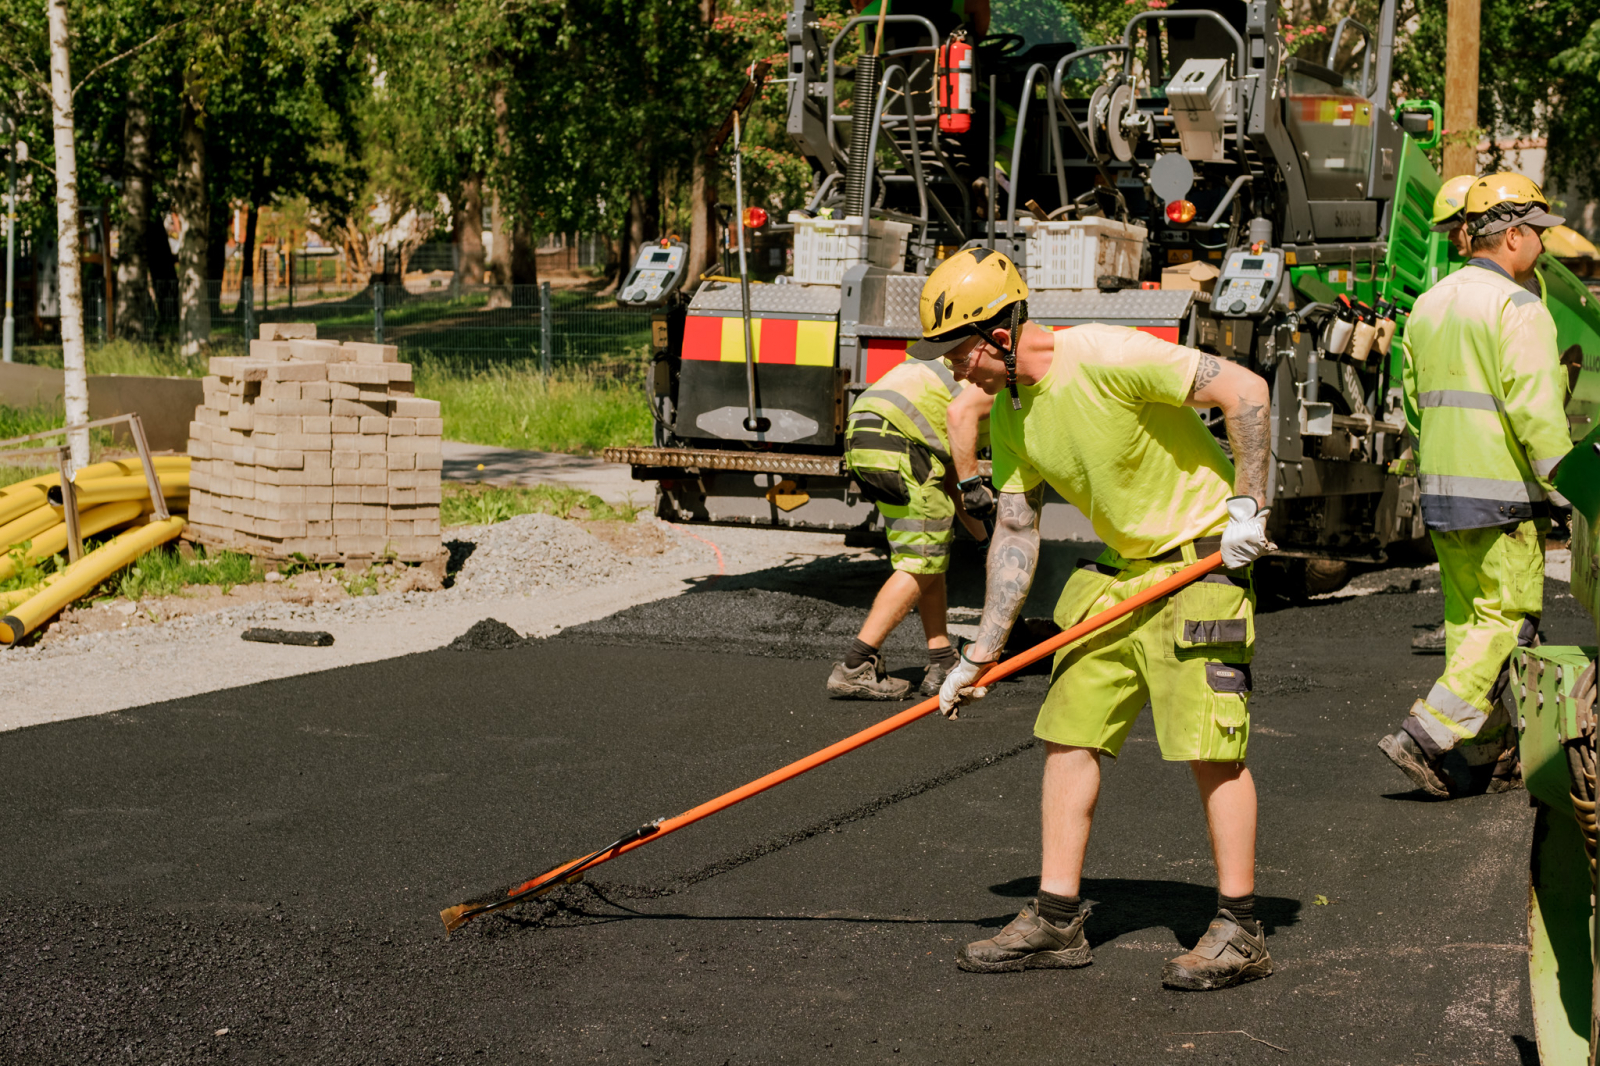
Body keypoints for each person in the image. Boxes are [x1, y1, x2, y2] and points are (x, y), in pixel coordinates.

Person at [918, 248, 1277, 991]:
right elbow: (1016, 532)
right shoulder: (1012, 415)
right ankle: (1054, 920)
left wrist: (1249, 505)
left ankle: (1240, 929)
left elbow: (1246, 390)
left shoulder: (1110, 354)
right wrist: (977, 653)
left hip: (1200, 566)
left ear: (999, 335)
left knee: (1210, 747)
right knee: (1067, 735)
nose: (956, 373)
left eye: (958, 356)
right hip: (1123, 580)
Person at [1379, 174, 1572, 797]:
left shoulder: (1429, 303)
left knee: (1469, 626)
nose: (1541, 246)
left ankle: (1489, 757)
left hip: (1442, 492)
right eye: (1536, 234)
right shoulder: (1519, 308)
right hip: (1503, 496)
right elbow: (1537, 413)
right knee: (1508, 625)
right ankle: (1424, 738)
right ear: (1512, 234)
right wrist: (1568, 494)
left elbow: (1413, 405)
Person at [827, 356, 993, 699]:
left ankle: (942, 657)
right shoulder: (1002, 385)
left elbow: (952, 480)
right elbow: (965, 479)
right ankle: (856, 666)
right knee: (919, 561)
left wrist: (985, 541)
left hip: (866, 433)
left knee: (927, 552)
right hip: (901, 442)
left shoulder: (970, 363)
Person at [1411, 174, 1477, 656]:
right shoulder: (1447, 293)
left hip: (1473, 457)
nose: (1453, 239)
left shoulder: (1508, 291)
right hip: (1457, 456)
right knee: (1468, 570)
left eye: (1457, 228)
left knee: (1491, 582)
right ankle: (1464, 633)